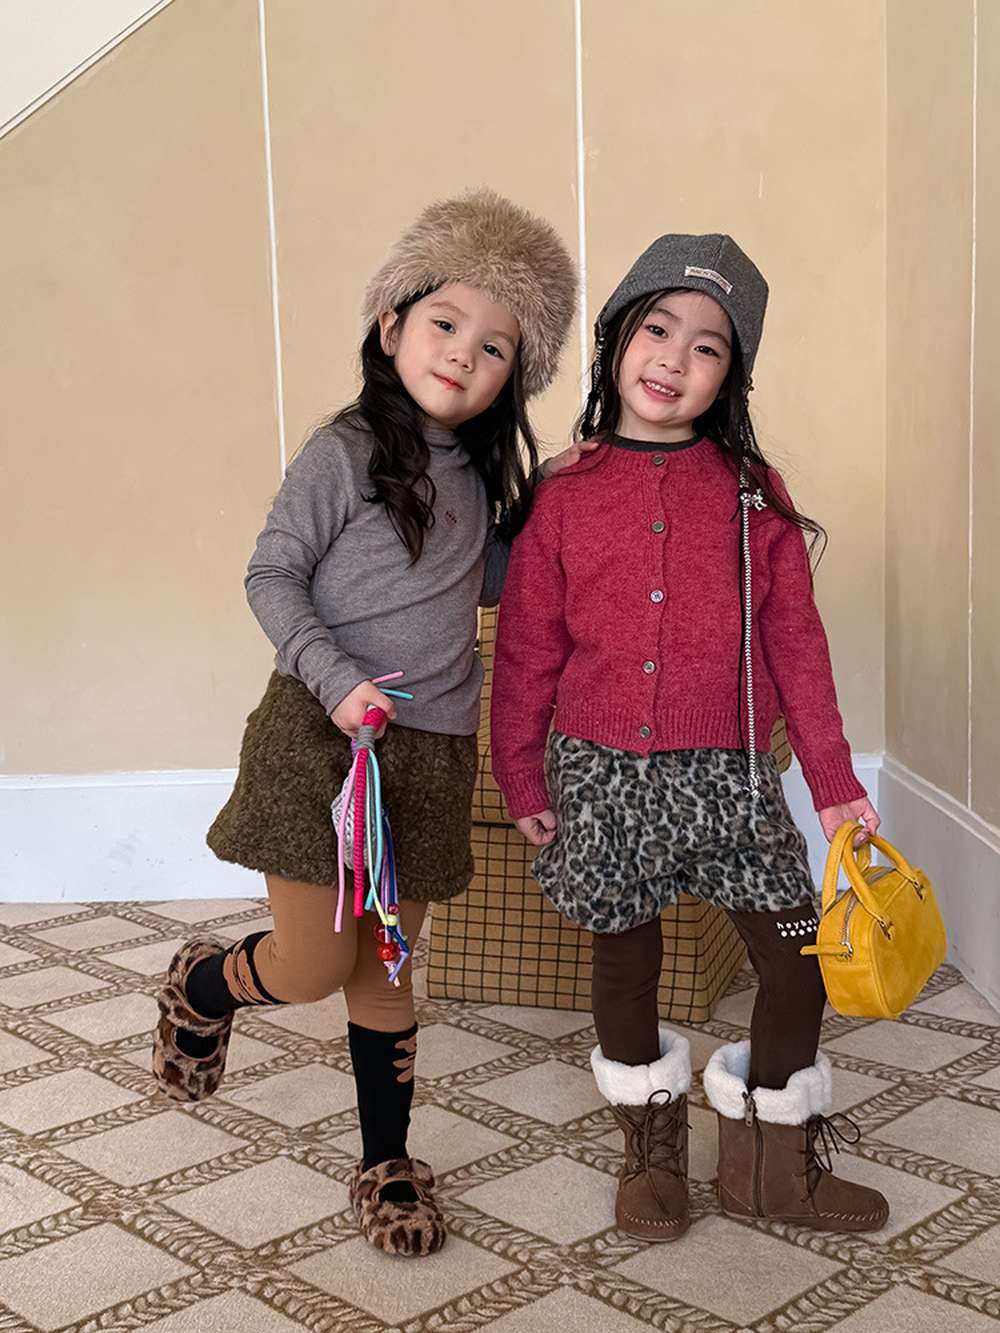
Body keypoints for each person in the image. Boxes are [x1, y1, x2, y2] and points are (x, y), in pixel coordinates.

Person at [151, 190, 579, 1257]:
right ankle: (202, 981)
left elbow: (488, 584)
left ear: (511, 378)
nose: (463, 353)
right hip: (320, 740)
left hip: (428, 757)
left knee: (385, 968)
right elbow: (270, 574)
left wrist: (560, 504)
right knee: (309, 965)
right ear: (391, 325)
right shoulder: (340, 454)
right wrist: (338, 679)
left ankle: (387, 1160)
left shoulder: (480, 478)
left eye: (493, 347)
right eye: (445, 323)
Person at [490, 233, 889, 1242]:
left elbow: (797, 645)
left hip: (731, 777)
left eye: (707, 346)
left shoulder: (753, 494)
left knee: (795, 962)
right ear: (618, 340)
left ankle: (773, 1170)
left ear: (729, 378)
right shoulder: (563, 493)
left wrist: (833, 780)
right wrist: (520, 771)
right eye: (658, 329)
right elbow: (528, 647)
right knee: (626, 961)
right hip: (601, 774)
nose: (674, 358)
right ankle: (652, 1154)